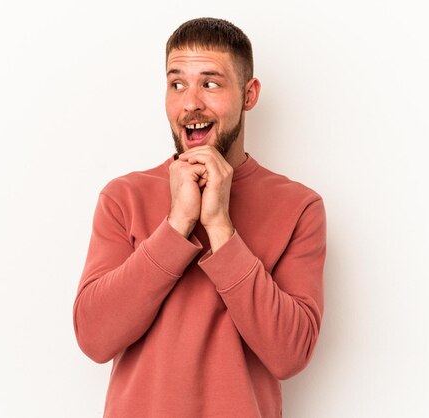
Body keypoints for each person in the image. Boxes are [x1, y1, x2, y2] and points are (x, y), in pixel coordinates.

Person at [73, 17, 326, 418]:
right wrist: (177, 224)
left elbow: (290, 355)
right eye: (177, 84)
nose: (191, 102)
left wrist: (220, 227)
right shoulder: (123, 196)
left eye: (210, 83)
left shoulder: (299, 207)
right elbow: (94, 339)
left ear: (249, 94)